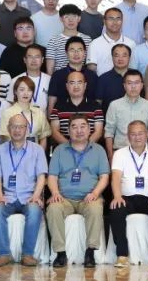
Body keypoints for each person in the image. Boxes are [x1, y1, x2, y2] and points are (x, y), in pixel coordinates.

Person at [46, 114, 110, 267]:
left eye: (83, 126)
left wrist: (95, 193)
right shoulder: (59, 150)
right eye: (74, 127)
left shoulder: (98, 150)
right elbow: (52, 176)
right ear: (68, 131)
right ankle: (60, 253)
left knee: (95, 209)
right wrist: (55, 193)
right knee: (53, 208)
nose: (79, 130)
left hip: (89, 197)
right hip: (64, 198)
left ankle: (90, 252)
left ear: (89, 130)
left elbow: (104, 177)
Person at [0, 113, 48, 267]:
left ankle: (28, 255)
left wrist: (36, 196)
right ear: (8, 129)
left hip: (29, 196)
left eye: (21, 127)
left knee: (34, 211)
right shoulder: (0, 150)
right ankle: (4, 254)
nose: (17, 130)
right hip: (7, 197)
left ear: (27, 129)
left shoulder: (37, 150)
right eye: (14, 127)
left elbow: (41, 176)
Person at [109, 120, 148, 267]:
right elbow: (115, 177)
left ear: (147, 134)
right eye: (133, 134)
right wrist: (117, 196)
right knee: (116, 208)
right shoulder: (119, 154)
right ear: (128, 136)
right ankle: (122, 254)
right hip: (126, 197)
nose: (137, 137)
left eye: (140, 133)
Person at [104, 69, 148, 158]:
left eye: (136, 83)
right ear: (124, 85)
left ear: (142, 85)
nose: (133, 86)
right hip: (120, 151)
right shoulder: (114, 105)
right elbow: (109, 132)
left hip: (143, 153)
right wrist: (110, 156)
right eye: (129, 83)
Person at [49, 70, 105, 146]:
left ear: (85, 85)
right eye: (72, 83)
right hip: (65, 149)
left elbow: (98, 132)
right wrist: (70, 147)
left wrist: (85, 147)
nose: (76, 86)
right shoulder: (58, 106)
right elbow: (55, 132)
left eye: (79, 82)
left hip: (90, 148)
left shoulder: (95, 106)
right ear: (67, 86)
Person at [1, 75, 52, 150]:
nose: (26, 93)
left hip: (35, 153)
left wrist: (39, 153)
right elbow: (5, 138)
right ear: (15, 91)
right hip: (15, 152)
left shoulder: (39, 112)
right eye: (22, 90)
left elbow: (43, 137)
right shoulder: (7, 113)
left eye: (29, 90)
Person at [47, 36, 97, 110]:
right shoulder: (57, 76)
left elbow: (96, 103)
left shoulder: (92, 76)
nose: (76, 53)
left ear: (84, 53)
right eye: (72, 50)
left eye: (79, 50)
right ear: (66, 53)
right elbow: (52, 103)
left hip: (88, 115)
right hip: (62, 115)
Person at [87, 7, 136, 76]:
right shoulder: (94, 44)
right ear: (104, 21)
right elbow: (91, 70)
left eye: (118, 19)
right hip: (102, 82)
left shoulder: (131, 43)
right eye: (111, 19)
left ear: (122, 21)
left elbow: (133, 67)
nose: (115, 22)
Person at [45, 4, 93, 73]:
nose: (71, 20)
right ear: (61, 19)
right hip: (60, 78)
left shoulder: (87, 40)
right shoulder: (53, 41)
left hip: (81, 78)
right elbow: (50, 69)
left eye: (74, 16)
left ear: (79, 18)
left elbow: (89, 65)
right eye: (66, 17)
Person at [95, 43, 132, 109]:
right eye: (117, 55)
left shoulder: (136, 76)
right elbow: (98, 103)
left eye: (124, 55)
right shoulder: (103, 79)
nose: (120, 59)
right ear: (112, 57)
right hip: (109, 115)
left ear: (129, 58)